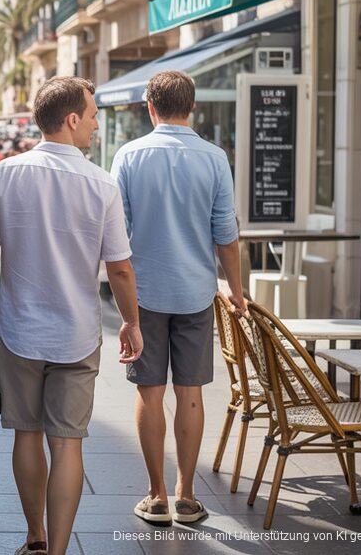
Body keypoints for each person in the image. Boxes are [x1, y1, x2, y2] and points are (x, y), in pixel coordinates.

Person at [0, 77, 142, 555]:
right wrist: (131, 321)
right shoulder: (101, 183)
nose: (94, 123)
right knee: (67, 443)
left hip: (17, 329)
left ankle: (35, 537)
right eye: (91, 115)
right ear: (70, 119)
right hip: (77, 334)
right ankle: (60, 549)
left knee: (26, 433)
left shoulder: (6, 173)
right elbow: (121, 268)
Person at [109, 70, 245, 525]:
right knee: (190, 393)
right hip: (194, 292)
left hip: (142, 294)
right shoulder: (214, 158)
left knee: (149, 393)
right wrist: (237, 292)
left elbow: (115, 232)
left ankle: (156, 495)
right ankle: (187, 496)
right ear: (193, 107)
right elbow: (226, 235)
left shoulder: (128, 155)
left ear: (150, 107)